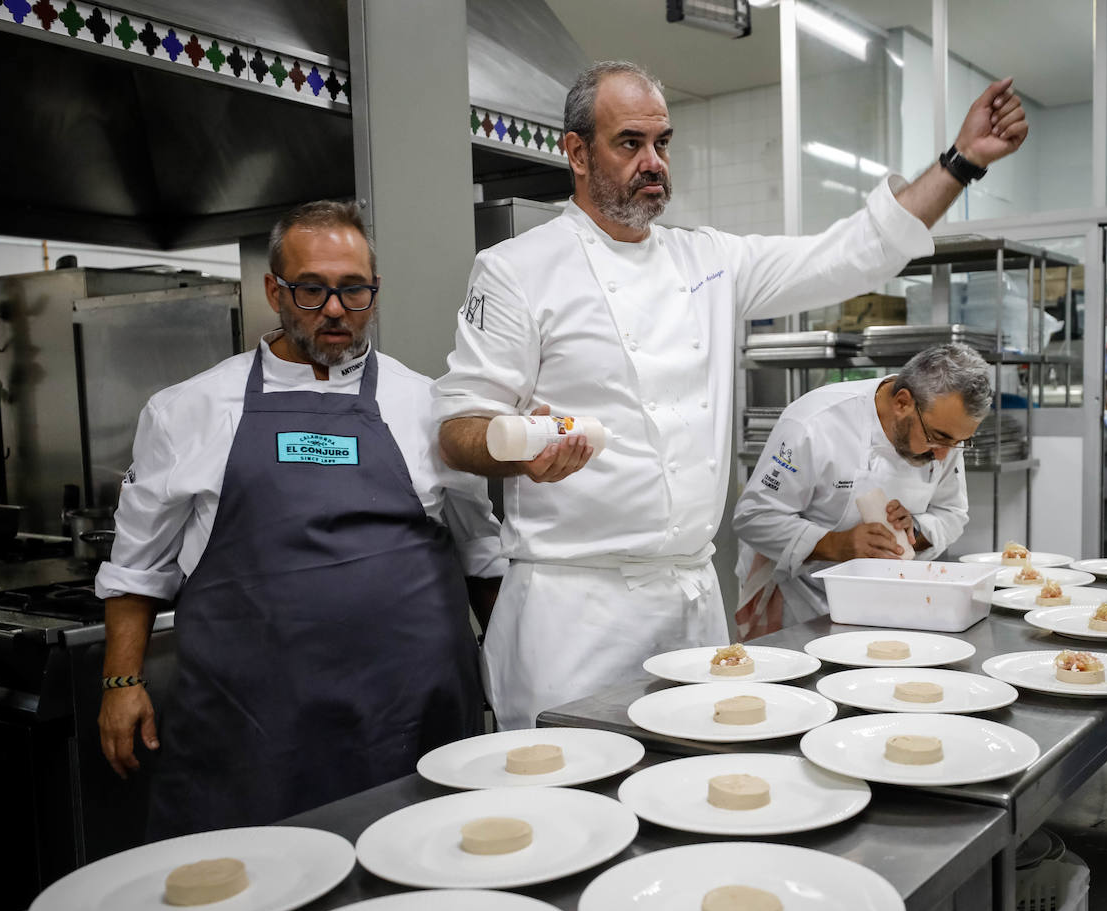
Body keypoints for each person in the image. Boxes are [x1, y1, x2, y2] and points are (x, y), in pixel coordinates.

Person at [434, 60, 1028, 730]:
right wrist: (514, 453)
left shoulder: (709, 261)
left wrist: (960, 162)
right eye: (630, 143)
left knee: (696, 796)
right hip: (575, 614)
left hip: (690, 602)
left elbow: (852, 253)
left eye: (663, 143)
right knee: (570, 801)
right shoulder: (517, 270)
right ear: (576, 151)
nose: (654, 161)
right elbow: (457, 426)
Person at [95, 200, 504, 838]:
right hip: (257, 727)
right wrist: (121, 681)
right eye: (312, 290)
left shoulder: (425, 405)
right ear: (274, 290)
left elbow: (480, 550)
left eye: (354, 290)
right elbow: (136, 567)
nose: (335, 310)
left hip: (410, 715)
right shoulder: (190, 410)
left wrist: (506, 673)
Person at [732, 344, 992, 635]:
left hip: (890, 602)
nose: (944, 455)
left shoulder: (944, 430)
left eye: (958, 443)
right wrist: (836, 544)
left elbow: (952, 512)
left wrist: (914, 533)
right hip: (801, 603)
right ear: (903, 402)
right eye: (937, 438)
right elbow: (754, 516)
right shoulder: (815, 422)